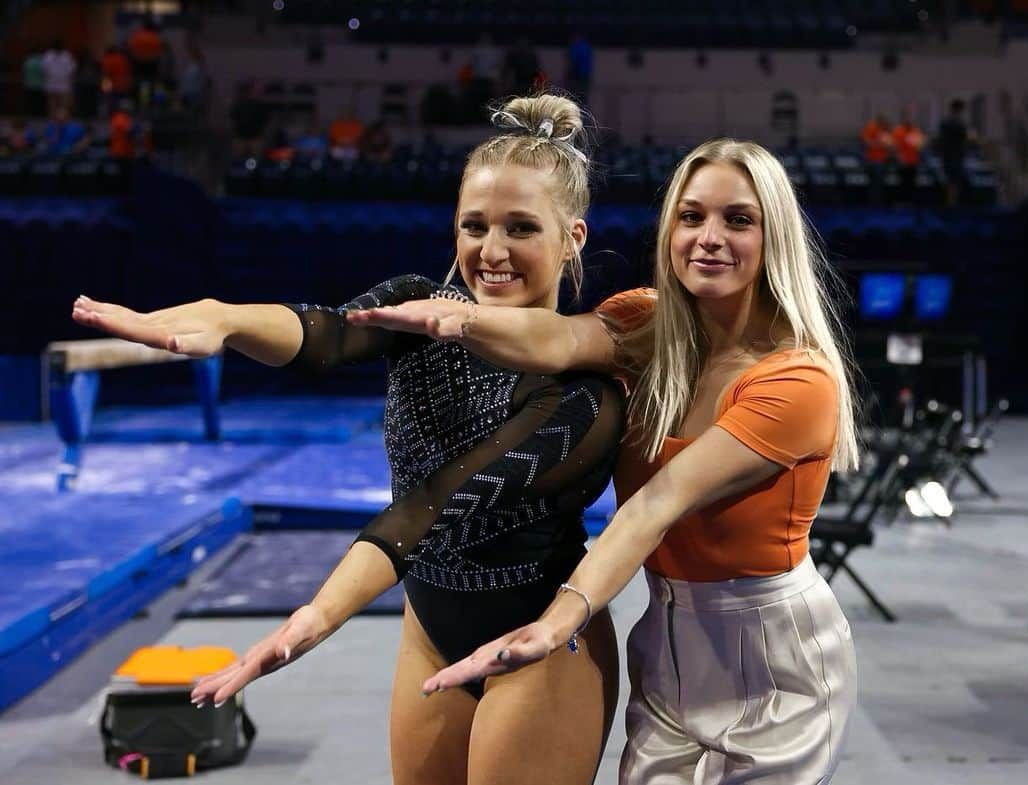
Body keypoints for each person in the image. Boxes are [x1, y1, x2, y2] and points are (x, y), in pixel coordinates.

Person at [72, 93, 623, 785]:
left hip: (542, 647)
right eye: (474, 225)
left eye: (521, 228)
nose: (492, 251)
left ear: (572, 237)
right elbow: (324, 332)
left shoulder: (583, 396)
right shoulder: (421, 308)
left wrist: (314, 617)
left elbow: (434, 505)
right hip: (430, 631)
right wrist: (226, 318)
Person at [358, 138, 860, 784]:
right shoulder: (645, 325)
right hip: (669, 632)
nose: (709, 237)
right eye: (690, 216)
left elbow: (656, 504)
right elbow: (560, 337)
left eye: (738, 219)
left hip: (772, 655)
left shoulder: (797, 380)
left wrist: (557, 621)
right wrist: (459, 320)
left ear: (774, 237)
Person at [937, 99, 969, 207]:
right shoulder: (958, 124)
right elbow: (962, 140)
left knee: (952, 182)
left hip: (949, 156)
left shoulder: (946, 122)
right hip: (954, 156)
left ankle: (951, 204)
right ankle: (951, 205)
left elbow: (941, 141)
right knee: (953, 182)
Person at [42, 39, 76, 117]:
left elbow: (72, 69)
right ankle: (53, 125)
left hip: (64, 86)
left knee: (63, 108)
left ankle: (63, 125)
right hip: (52, 86)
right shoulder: (48, 56)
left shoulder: (67, 56)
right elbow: (44, 69)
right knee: (52, 108)